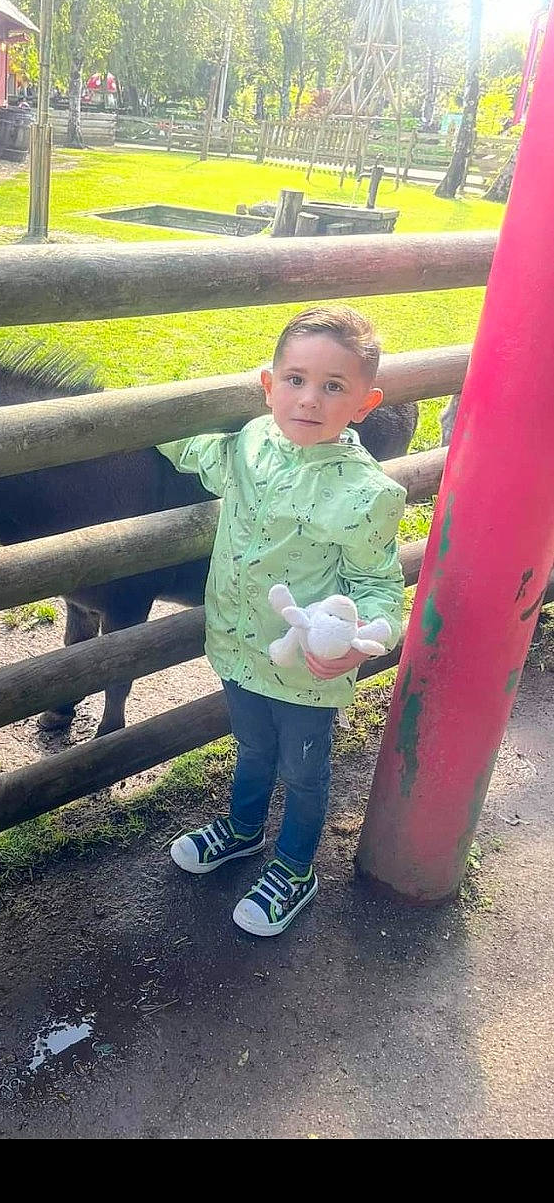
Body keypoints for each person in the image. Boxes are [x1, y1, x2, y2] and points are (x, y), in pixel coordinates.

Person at [157, 305, 407, 938]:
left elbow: (378, 587)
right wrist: (138, 417)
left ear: (364, 403)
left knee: (301, 767)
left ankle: (295, 867)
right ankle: (242, 832)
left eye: (333, 387)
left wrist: (364, 642)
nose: (309, 400)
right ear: (269, 384)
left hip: (307, 670)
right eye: (295, 379)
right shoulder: (250, 443)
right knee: (252, 747)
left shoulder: (365, 494)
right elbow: (195, 451)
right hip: (238, 647)